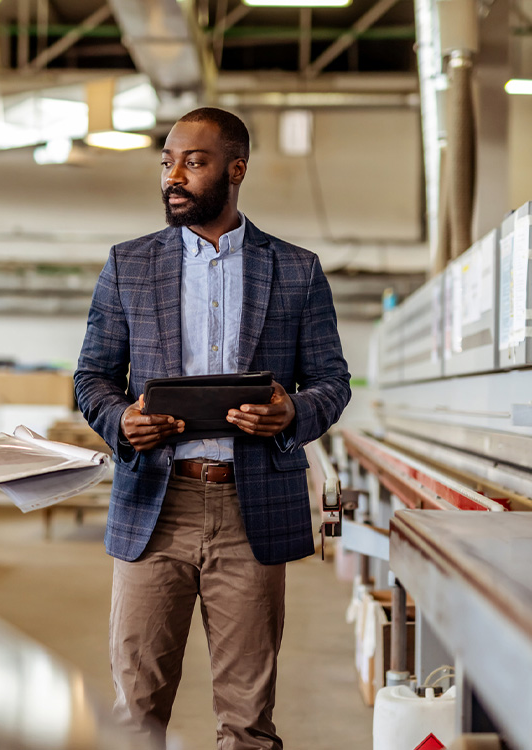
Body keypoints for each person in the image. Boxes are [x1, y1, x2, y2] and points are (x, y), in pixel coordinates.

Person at [74, 107, 351, 749]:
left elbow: (331, 382)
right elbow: (91, 378)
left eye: (192, 163)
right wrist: (124, 421)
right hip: (155, 506)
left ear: (236, 169)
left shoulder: (296, 270)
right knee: (135, 710)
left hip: (250, 506)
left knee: (248, 721)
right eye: (167, 163)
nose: (174, 176)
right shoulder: (129, 265)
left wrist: (291, 415)